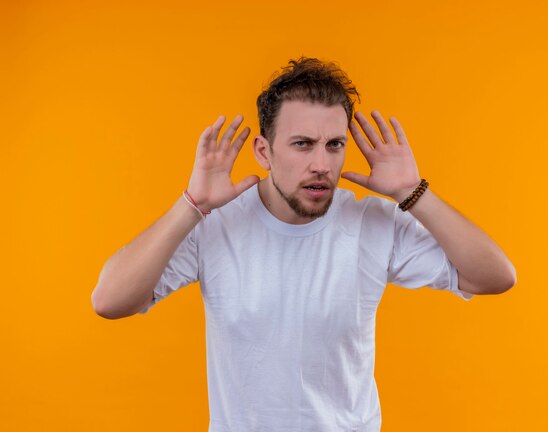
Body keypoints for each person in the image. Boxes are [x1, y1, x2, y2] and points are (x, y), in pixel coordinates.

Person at [92, 57, 516, 432]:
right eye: (302, 144)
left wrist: (413, 191)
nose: (321, 165)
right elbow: (110, 301)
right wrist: (192, 206)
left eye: (334, 145)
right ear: (264, 151)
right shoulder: (216, 226)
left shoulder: (371, 223)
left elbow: (495, 277)